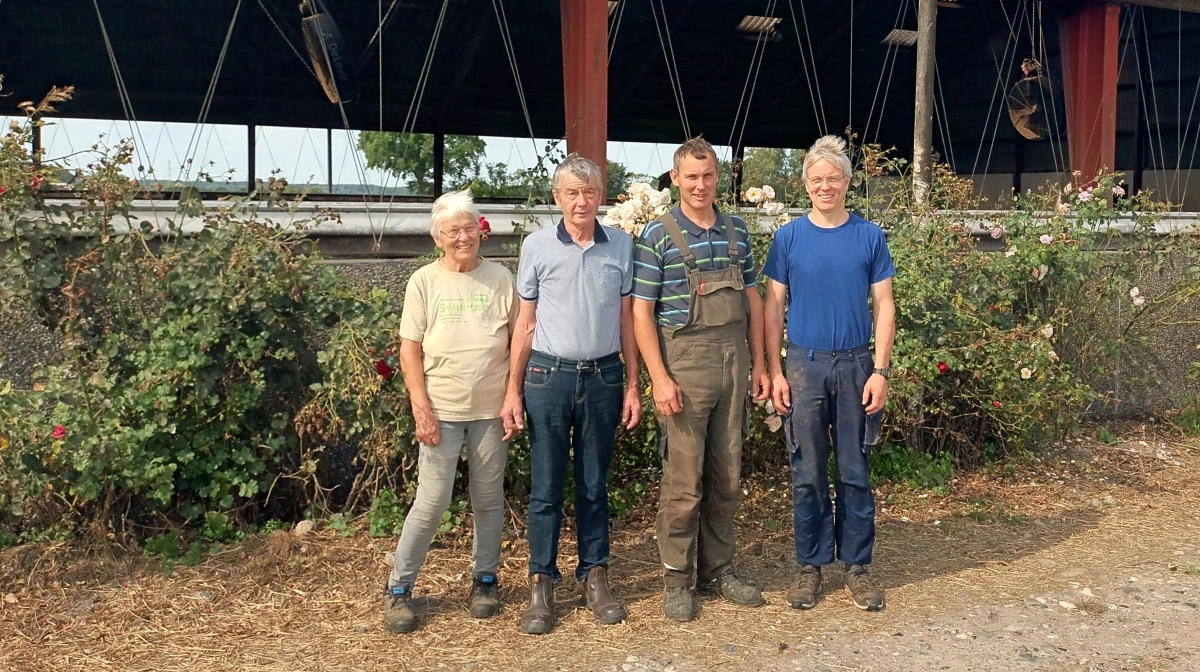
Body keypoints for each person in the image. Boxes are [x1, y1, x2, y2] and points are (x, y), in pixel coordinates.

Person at [500, 154, 642, 635]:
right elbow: (525, 322)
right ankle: (541, 582)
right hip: (547, 377)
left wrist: (634, 384)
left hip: (603, 377)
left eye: (589, 192)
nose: (581, 201)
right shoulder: (537, 246)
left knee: (593, 484)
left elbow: (627, 321)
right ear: (557, 198)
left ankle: (595, 575)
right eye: (571, 193)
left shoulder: (621, 246)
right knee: (544, 488)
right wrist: (512, 391)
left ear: (600, 196)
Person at [632, 137, 770, 623]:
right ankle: (675, 578)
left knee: (727, 476)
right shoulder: (658, 234)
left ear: (718, 177)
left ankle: (718, 569)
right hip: (684, 368)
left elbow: (753, 300)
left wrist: (762, 365)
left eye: (708, 175)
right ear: (675, 179)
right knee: (684, 482)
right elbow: (641, 312)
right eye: (691, 176)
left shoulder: (737, 231)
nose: (700, 184)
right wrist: (658, 378)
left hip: (734, 360)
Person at [762, 135, 896, 612]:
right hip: (804, 365)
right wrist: (774, 370)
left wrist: (880, 370)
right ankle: (810, 566)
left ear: (846, 182)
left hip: (857, 363)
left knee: (854, 471)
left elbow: (884, 305)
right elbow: (772, 307)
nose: (825, 186)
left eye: (833, 178)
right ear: (805, 185)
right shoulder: (789, 238)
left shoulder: (869, 236)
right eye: (816, 179)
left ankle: (857, 567)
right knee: (807, 472)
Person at [381, 189, 517, 634]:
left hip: (490, 411)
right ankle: (399, 589)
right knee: (432, 502)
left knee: (488, 499)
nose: (464, 237)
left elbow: (519, 342)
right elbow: (409, 351)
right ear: (439, 237)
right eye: (453, 230)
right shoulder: (424, 281)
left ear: (480, 229)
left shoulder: (501, 279)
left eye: (469, 227)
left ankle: (485, 580)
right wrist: (421, 408)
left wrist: (513, 395)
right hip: (441, 409)